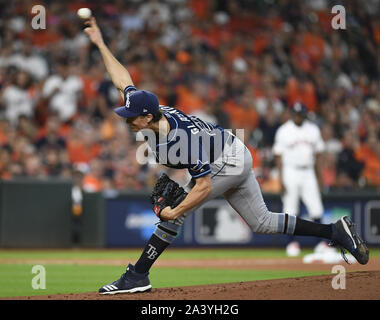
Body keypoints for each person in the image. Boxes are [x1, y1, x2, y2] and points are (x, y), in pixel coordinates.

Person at [83, 17, 369, 295]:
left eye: (131, 116)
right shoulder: (150, 114)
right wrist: (100, 43)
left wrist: (176, 211)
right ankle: (335, 231)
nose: (125, 119)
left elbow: (204, 186)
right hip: (232, 151)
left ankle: (137, 275)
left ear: (146, 117)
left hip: (227, 160)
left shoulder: (179, 139)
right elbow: (123, 81)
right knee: (262, 222)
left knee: (174, 216)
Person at [273, 103, 327, 256]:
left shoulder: (313, 129)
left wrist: (320, 177)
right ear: (291, 114)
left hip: (309, 171)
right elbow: (278, 156)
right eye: (295, 114)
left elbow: (318, 155)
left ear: (304, 114)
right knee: (290, 209)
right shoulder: (284, 130)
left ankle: (320, 244)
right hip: (290, 171)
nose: (298, 116)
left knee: (316, 208)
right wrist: (281, 179)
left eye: (300, 114)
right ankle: (291, 243)